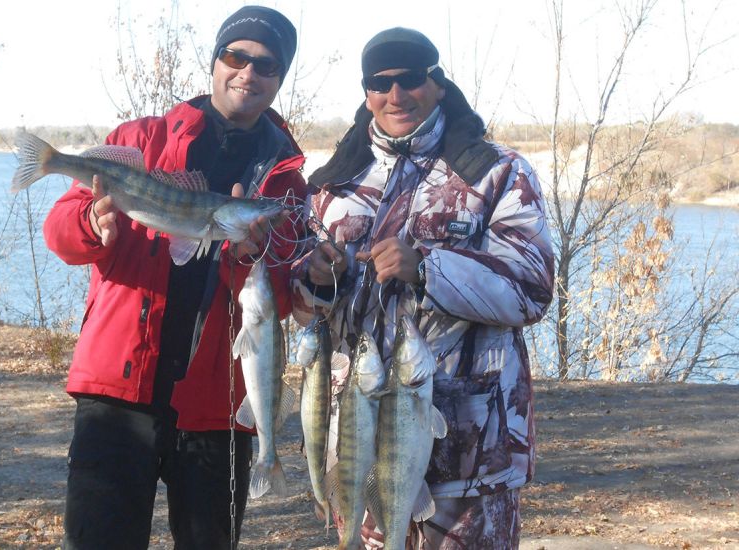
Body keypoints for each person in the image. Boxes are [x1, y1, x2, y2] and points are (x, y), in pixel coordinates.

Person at [43, 6, 306, 549]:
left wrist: (245, 257)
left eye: (267, 65)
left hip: (218, 404)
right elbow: (60, 235)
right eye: (236, 56)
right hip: (120, 390)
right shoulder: (140, 140)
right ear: (214, 61)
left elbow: (277, 302)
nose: (248, 73)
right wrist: (92, 225)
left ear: (280, 78)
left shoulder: (285, 185)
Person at [291, 27, 554, 548]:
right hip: (359, 444)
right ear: (366, 93)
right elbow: (302, 315)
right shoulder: (332, 185)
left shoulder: (497, 173)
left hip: (471, 450)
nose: (395, 95)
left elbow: (531, 287)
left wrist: (429, 268)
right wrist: (313, 279)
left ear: (436, 83)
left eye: (410, 79)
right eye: (379, 83)